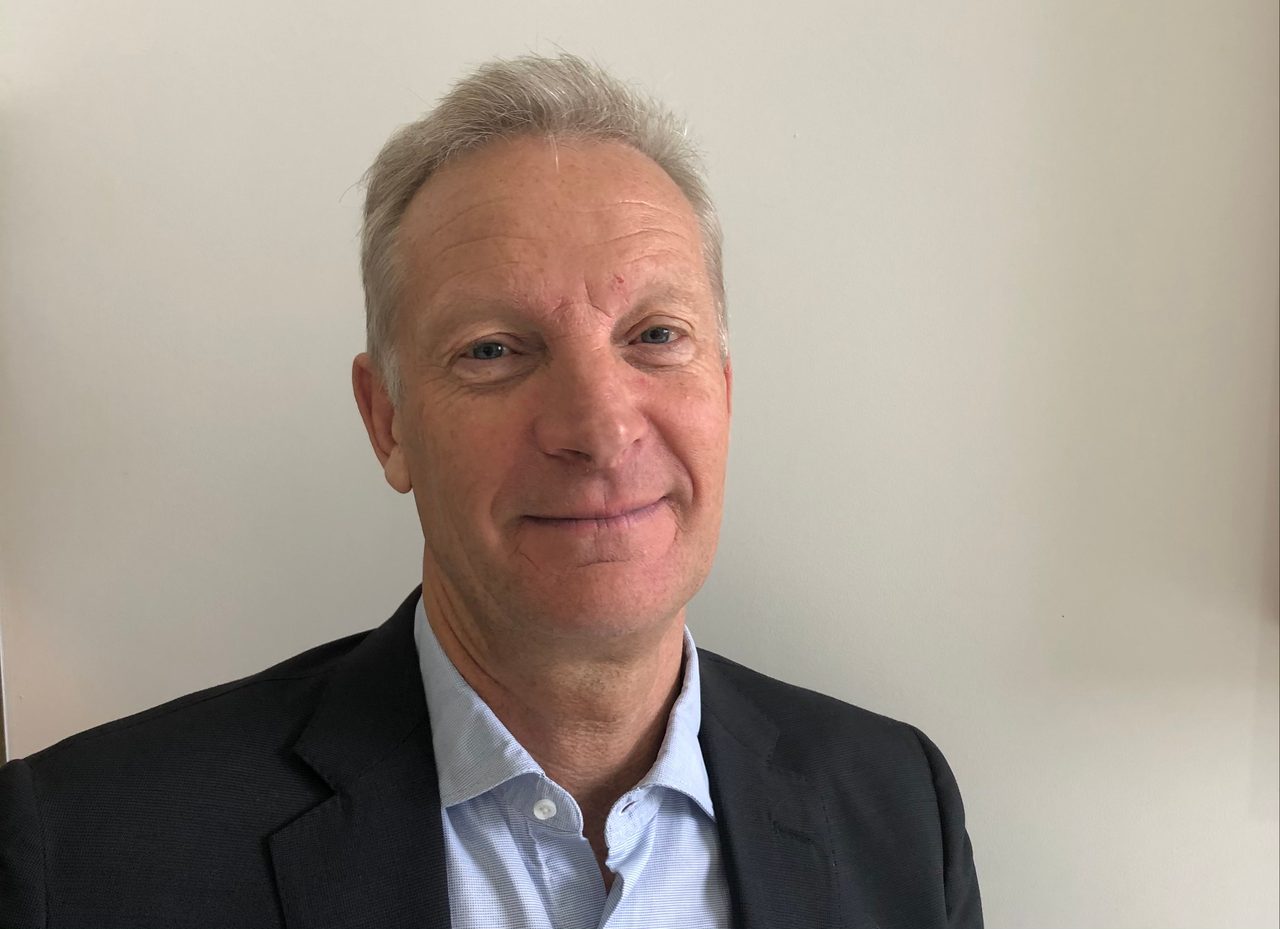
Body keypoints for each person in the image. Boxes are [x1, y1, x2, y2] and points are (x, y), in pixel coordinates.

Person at [0, 54, 982, 928]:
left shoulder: (897, 805)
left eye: (653, 335)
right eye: (494, 350)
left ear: (722, 391)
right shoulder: (85, 847)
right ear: (387, 420)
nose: (598, 428)